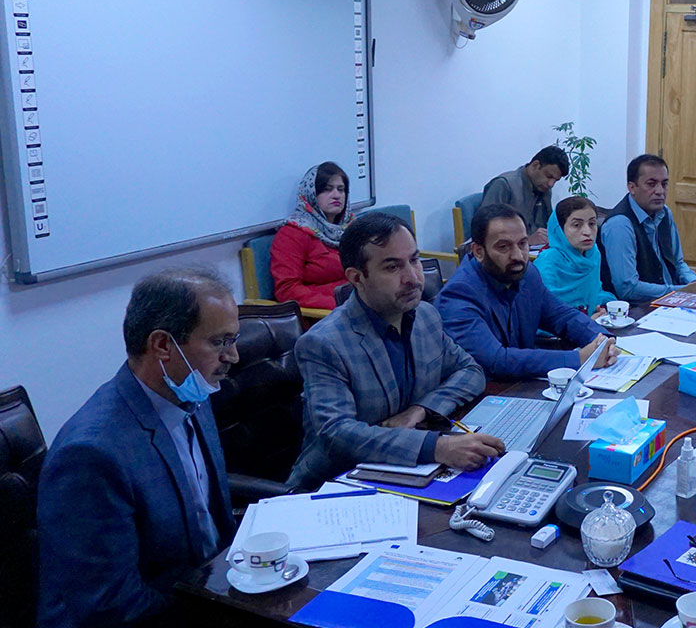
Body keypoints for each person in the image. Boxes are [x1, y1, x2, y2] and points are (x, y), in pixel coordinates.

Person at [38, 268, 239, 626]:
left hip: (208, 588)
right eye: (219, 342)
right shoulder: (91, 455)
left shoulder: (192, 393)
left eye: (233, 339)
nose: (233, 356)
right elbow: (109, 606)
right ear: (162, 345)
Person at [287, 211, 503, 491]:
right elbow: (337, 434)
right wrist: (436, 447)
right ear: (357, 277)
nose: (412, 278)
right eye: (392, 267)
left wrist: (421, 410)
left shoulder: (425, 316)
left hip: (408, 475)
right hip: (336, 484)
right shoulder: (323, 343)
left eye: (414, 260)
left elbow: (470, 371)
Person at [436, 203, 618, 380]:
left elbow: (562, 316)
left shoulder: (526, 273)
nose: (517, 256)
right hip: (486, 391)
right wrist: (579, 359)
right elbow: (496, 361)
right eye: (503, 247)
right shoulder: (457, 296)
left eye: (523, 244)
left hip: (523, 383)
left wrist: (601, 339)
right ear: (478, 251)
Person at [599, 154, 696, 303]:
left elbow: (678, 263)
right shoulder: (619, 224)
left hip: (671, 300)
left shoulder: (665, 213)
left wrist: (694, 283)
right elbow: (628, 289)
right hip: (639, 308)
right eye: (651, 184)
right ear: (632, 187)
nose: (660, 191)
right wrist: (679, 293)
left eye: (664, 184)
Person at [270, 161, 354, 310]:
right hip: (322, 314)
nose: (336, 195)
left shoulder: (351, 227)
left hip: (359, 302)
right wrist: (340, 306)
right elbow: (287, 290)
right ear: (311, 194)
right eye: (327, 189)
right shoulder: (292, 233)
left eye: (341, 190)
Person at [533, 196, 615, 318]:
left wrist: (600, 309)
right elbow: (544, 312)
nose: (587, 232)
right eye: (577, 225)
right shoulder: (547, 261)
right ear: (560, 229)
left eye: (592, 223)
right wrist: (586, 321)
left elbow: (594, 292)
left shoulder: (592, 254)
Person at [480, 145, 570, 246]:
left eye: (555, 181)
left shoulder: (544, 189)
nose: (551, 184)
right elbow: (484, 230)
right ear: (535, 165)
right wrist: (527, 241)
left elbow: (549, 226)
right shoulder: (503, 185)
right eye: (549, 176)